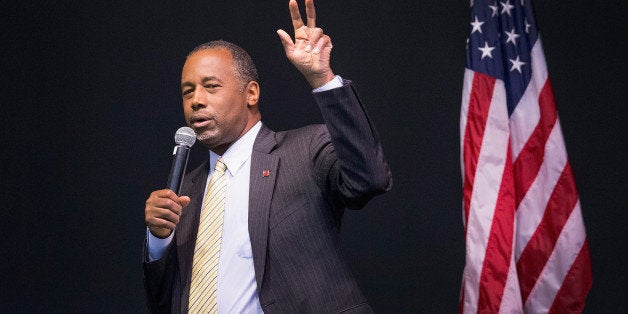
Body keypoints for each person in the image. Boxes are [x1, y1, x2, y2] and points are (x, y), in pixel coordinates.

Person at [143, 0, 392, 312]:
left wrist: (323, 80)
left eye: (211, 86)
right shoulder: (184, 193)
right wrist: (158, 239)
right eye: (188, 91)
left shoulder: (305, 151)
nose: (197, 100)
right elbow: (164, 301)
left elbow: (369, 179)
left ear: (251, 93)